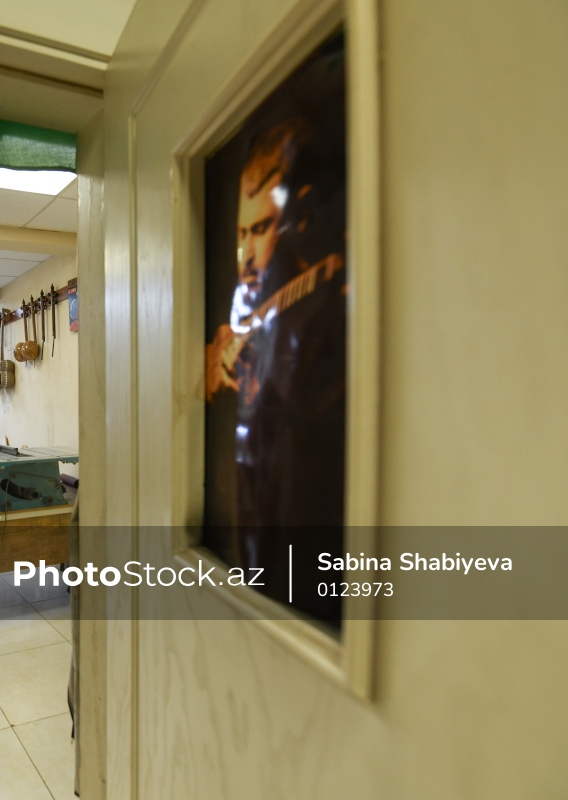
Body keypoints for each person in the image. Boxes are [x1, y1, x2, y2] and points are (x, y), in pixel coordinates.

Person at [203, 114, 347, 621]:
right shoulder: (252, 321)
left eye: (261, 229)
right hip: (253, 564)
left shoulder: (331, 305)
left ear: (301, 216)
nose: (244, 256)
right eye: (241, 233)